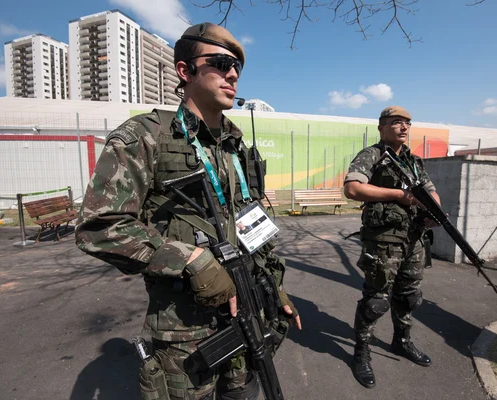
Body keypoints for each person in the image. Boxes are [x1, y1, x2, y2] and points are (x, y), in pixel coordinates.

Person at [75, 22, 301, 400]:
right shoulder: (146, 136)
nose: (232, 74)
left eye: (238, 68)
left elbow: (252, 221)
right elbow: (99, 225)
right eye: (220, 62)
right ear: (186, 71)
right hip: (184, 328)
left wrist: (275, 289)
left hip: (247, 306)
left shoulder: (236, 147)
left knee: (244, 393)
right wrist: (190, 260)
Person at [343, 106, 441, 389]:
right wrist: (400, 195)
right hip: (384, 241)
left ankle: (402, 341)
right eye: (396, 123)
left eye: (407, 123)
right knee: (375, 300)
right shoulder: (372, 155)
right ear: (382, 128)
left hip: (415, 238)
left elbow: (430, 189)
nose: (404, 128)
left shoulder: (413, 161)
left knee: (409, 295)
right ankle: (361, 352)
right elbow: (352, 189)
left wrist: (433, 209)